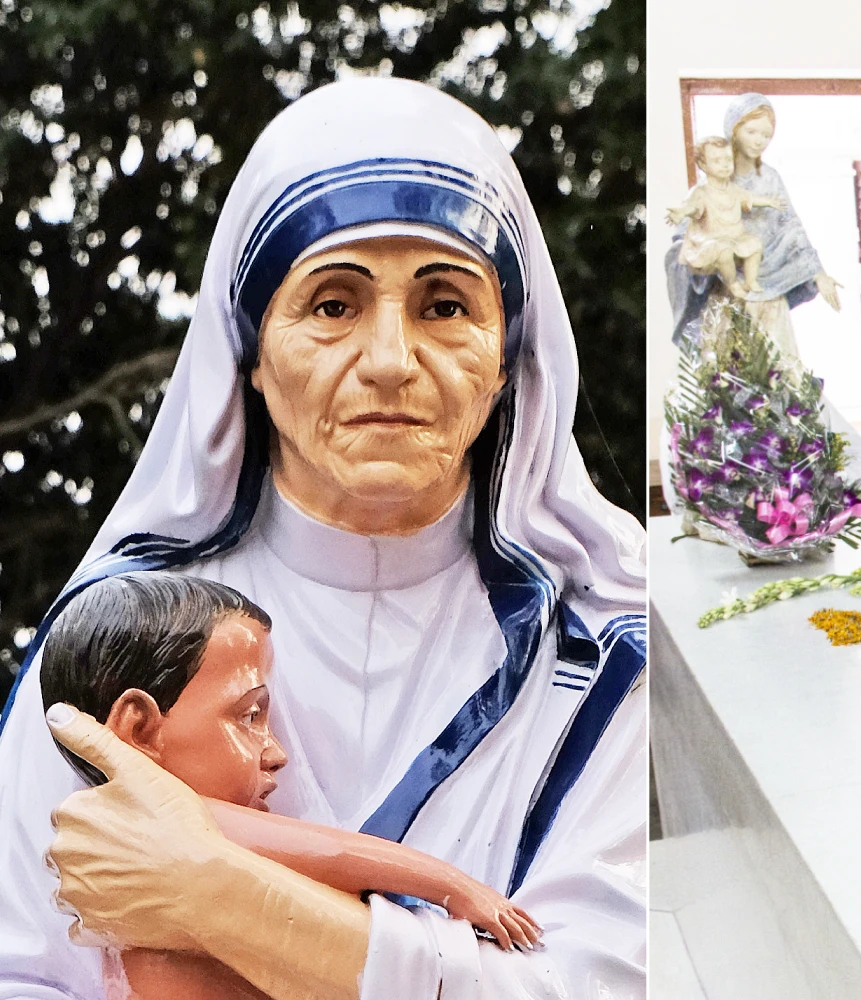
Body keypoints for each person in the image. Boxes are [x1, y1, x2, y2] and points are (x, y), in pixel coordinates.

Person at [0, 78, 646, 1000]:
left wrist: (217, 893)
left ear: (507, 361)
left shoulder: (607, 652)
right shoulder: (117, 637)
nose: (389, 362)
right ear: (251, 357)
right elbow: (23, 964)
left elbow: (602, 981)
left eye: (445, 305)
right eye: (334, 305)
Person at [40, 572, 540, 999]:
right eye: (249, 715)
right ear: (140, 730)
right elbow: (338, 855)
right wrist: (457, 888)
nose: (277, 753)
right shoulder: (179, 827)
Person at [665, 92, 841, 363]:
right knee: (729, 376)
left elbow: (790, 229)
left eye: (766, 135)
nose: (759, 140)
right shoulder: (711, 182)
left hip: (768, 295)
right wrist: (696, 256)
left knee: (779, 372)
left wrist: (817, 273)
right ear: (733, 129)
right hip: (727, 294)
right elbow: (685, 234)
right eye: (752, 131)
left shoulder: (769, 179)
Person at [667, 136, 783, 300]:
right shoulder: (701, 192)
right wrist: (681, 212)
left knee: (755, 245)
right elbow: (692, 207)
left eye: (728, 159)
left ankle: (750, 281)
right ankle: (733, 283)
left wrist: (769, 202)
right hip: (709, 242)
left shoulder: (733, 189)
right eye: (717, 160)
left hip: (734, 237)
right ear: (703, 165)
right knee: (724, 251)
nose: (725, 165)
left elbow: (750, 198)